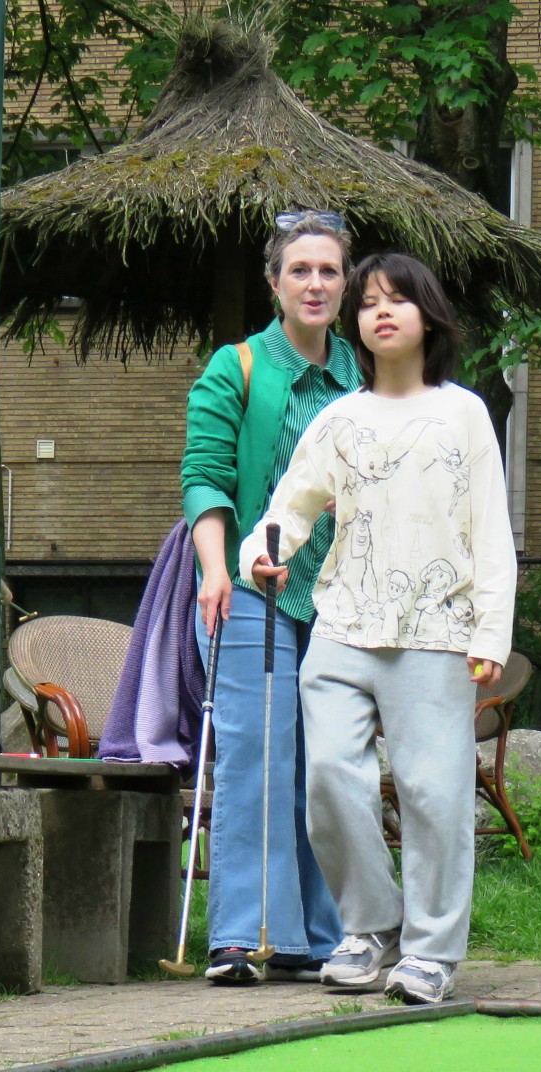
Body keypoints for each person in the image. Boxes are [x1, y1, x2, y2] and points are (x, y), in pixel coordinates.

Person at [242, 252, 517, 1006]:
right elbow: (287, 509)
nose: (381, 312)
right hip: (342, 625)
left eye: (398, 300)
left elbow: (490, 528)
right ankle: (370, 929)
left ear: (429, 315)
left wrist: (490, 633)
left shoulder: (463, 413)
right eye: (368, 304)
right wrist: (263, 555)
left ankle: (430, 951)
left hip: (435, 632)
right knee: (330, 779)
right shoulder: (339, 418)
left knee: (434, 794)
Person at [177, 210, 358, 985]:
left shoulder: (365, 372)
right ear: (274, 282)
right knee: (258, 754)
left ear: (345, 283)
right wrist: (217, 572)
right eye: (300, 271)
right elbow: (206, 478)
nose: (315, 284)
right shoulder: (239, 366)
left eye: (329, 270)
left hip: (344, 599)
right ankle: (247, 936)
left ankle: (324, 937)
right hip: (249, 589)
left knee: (328, 764)